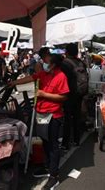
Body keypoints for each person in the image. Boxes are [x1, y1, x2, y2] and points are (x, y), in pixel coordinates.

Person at [9, 53, 69, 190]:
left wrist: (44, 94)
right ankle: (47, 166)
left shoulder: (61, 76)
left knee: (53, 145)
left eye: (46, 62)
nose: (43, 64)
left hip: (54, 115)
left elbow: (64, 97)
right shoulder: (43, 74)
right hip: (41, 113)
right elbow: (30, 78)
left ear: (53, 64)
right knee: (45, 141)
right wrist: (14, 82)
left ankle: (54, 176)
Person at [61, 43, 88, 149]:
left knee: (67, 119)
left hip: (68, 94)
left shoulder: (65, 64)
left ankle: (65, 143)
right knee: (77, 117)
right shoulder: (81, 63)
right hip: (80, 93)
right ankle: (77, 139)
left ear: (66, 52)